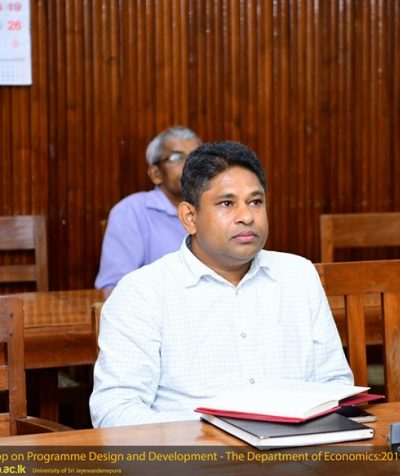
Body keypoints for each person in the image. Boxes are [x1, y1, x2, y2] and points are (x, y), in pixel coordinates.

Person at [90, 141, 353, 427]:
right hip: (193, 451)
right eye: (227, 203)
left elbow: (334, 382)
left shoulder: (298, 274)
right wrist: (209, 438)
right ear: (190, 217)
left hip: (299, 447)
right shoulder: (143, 291)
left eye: (255, 202)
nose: (247, 217)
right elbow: (114, 411)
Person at [94, 126, 202, 289]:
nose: (190, 164)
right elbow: (114, 286)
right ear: (155, 173)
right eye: (176, 157)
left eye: (196, 157)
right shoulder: (131, 211)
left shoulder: (218, 209)